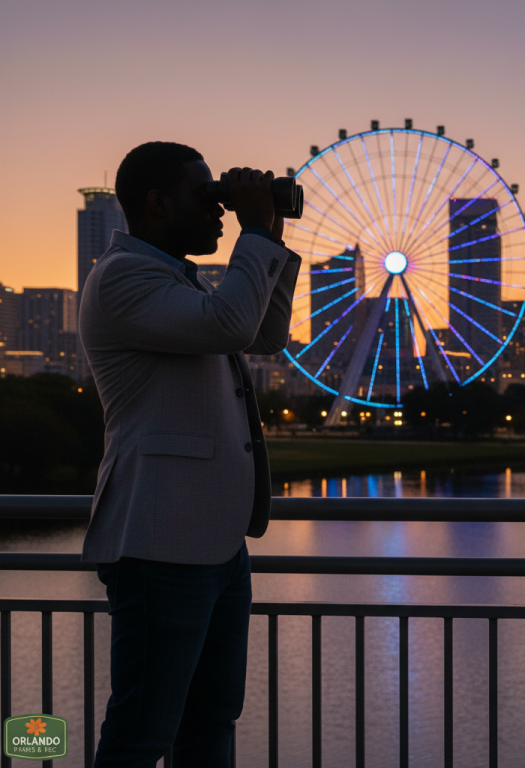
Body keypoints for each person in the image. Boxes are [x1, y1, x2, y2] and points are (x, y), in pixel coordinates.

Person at [79, 141, 301, 767]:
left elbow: (264, 334)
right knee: (142, 733)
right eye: (206, 198)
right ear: (156, 203)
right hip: (161, 543)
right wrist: (254, 230)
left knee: (209, 724)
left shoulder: (177, 279)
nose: (220, 213)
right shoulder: (123, 278)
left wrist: (269, 235)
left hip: (215, 542)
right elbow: (229, 325)